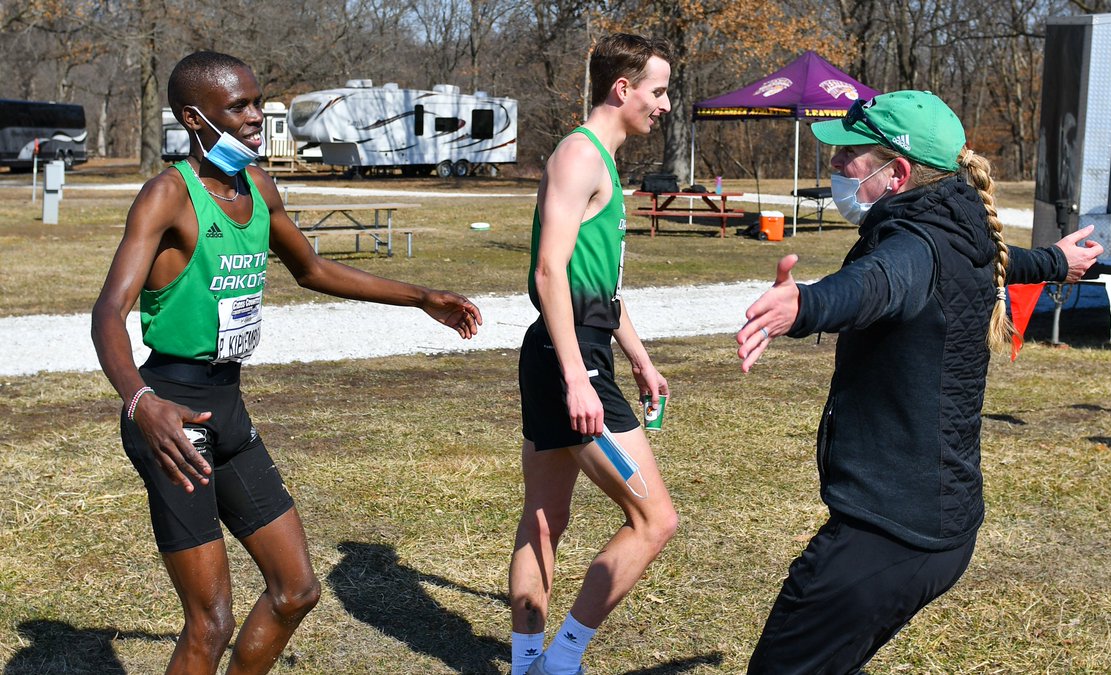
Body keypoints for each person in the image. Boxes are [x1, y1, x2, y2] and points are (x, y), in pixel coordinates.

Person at [90, 51, 482, 674]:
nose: (256, 116)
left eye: (257, 102)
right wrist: (141, 403)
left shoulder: (258, 186)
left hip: (229, 407)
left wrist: (421, 297)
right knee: (210, 623)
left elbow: (314, 269)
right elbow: (108, 310)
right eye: (239, 106)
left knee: (297, 589)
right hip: (171, 413)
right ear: (194, 118)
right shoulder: (168, 196)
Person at [734, 91, 1103, 674]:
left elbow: (872, 285)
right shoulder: (959, 227)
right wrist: (1056, 262)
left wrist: (804, 305)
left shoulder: (912, 245)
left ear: (896, 173)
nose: (833, 167)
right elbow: (1004, 262)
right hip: (941, 525)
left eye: (848, 157)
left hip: (889, 533)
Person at [507, 33, 678, 675]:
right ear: (623, 88)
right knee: (655, 520)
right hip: (566, 357)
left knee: (547, 518)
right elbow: (551, 273)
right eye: (658, 91)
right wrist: (578, 378)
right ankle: (559, 660)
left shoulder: (605, 162)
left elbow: (598, 284)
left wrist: (638, 355)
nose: (663, 106)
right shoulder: (579, 157)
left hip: (577, 349)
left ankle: (528, 665)